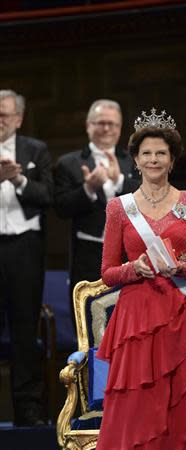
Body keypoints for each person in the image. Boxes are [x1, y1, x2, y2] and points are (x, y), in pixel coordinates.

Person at [95, 108, 186, 450]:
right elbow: (108, 271)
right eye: (147, 153)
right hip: (136, 318)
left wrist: (181, 269)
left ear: (172, 160)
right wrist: (134, 269)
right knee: (140, 403)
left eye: (161, 153)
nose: (154, 159)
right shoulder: (119, 207)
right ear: (136, 160)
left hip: (182, 313)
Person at [54, 99, 139, 316]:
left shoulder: (134, 160)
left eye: (113, 124)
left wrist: (119, 180)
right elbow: (61, 208)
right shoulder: (68, 163)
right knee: (89, 319)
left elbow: (148, 198)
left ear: (120, 128)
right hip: (88, 256)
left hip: (130, 254)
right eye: (100, 122)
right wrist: (89, 188)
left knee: (129, 320)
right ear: (88, 125)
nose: (106, 128)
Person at [0, 89, 53, 425]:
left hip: (24, 248)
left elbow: (48, 195)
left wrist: (18, 178)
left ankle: (29, 409)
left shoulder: (36, 150)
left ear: (18, 118)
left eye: (4, 115)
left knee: (24, 328)